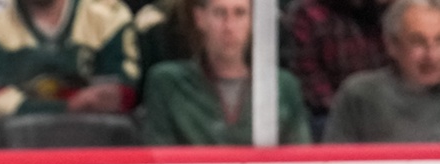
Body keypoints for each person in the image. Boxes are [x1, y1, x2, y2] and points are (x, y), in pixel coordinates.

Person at [141, 0, 311, 143]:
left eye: (239, 13)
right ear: (200, 18)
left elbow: (300, 162)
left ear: (252, 20)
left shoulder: (283, 86)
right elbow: (158, 159)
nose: (229, 27)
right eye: (220, 13)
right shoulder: (168, 83)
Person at [0, 0, 141, 126]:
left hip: (92, 144)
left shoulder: (107, 13)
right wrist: (69, 106)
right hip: (12, 150)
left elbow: (122, 93)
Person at [325, 0, 440, 140]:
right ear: (392, 45)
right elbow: (336, 158)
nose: (432, 55)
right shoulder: (360, 95)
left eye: (439, 41)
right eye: (418, 42)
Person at [282, 0, 390, 134]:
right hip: (331, 113)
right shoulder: (307, 12)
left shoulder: (390, 11)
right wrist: (350, 111)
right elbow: (310, 79)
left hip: (386, 108)